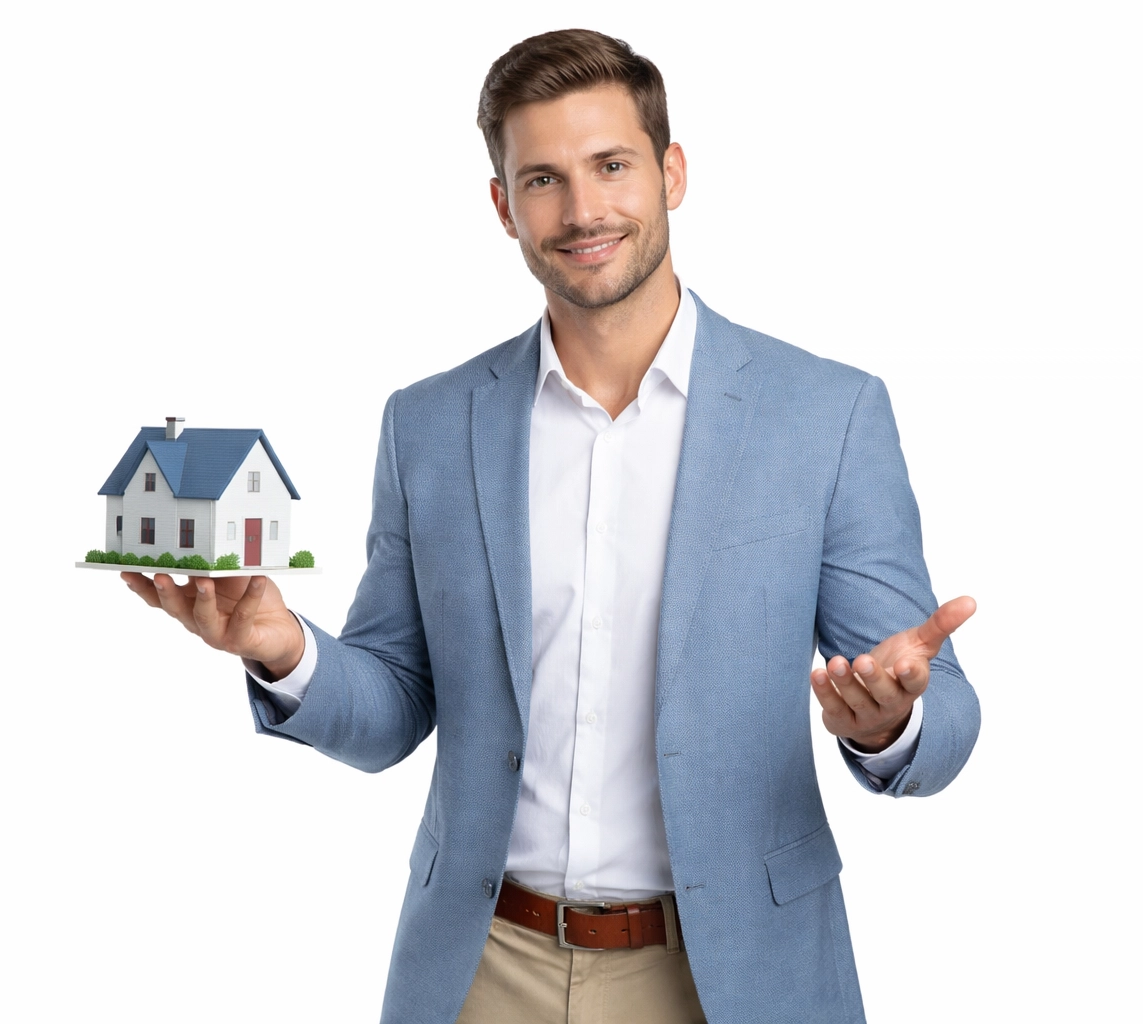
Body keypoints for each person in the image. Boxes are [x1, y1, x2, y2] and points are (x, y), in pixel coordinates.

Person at [122, 28, 979, 1024]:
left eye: (611, 166)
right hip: (485, 969)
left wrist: (892, 723)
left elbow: (943, 711)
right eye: (542, 179)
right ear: (503, 206)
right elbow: (393, 707)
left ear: (672, 172)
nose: (581, 211)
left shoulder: (826, 415)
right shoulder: (431, 425)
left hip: (730, 972)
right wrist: (283, 649)